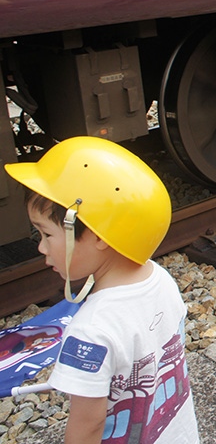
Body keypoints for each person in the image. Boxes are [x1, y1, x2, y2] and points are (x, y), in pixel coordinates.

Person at [3, 136, 200, 443]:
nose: (41, 248)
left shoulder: (90, 331)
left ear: (99, 234)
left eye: (46, 233)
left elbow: (88, 427)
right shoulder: (159, 278)